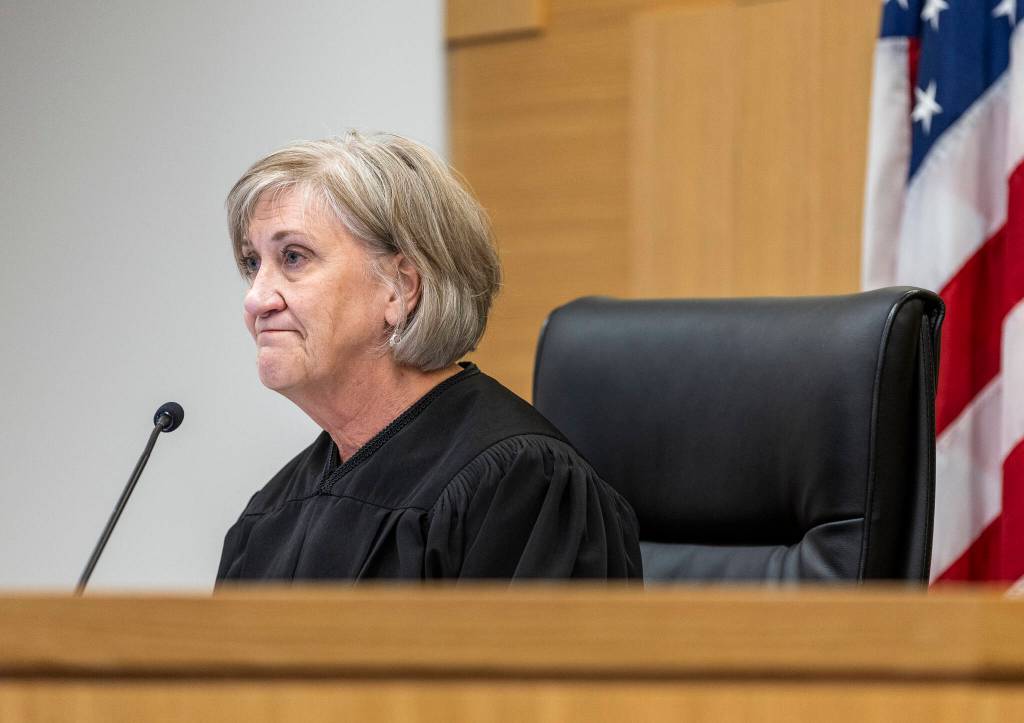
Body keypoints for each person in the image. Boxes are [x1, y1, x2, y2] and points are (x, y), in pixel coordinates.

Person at [216, 131, 642, 581]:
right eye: (251, 264)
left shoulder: (521, 485)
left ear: (401, 288)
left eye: (294, 257)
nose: (256, 298)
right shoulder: (270, 515)